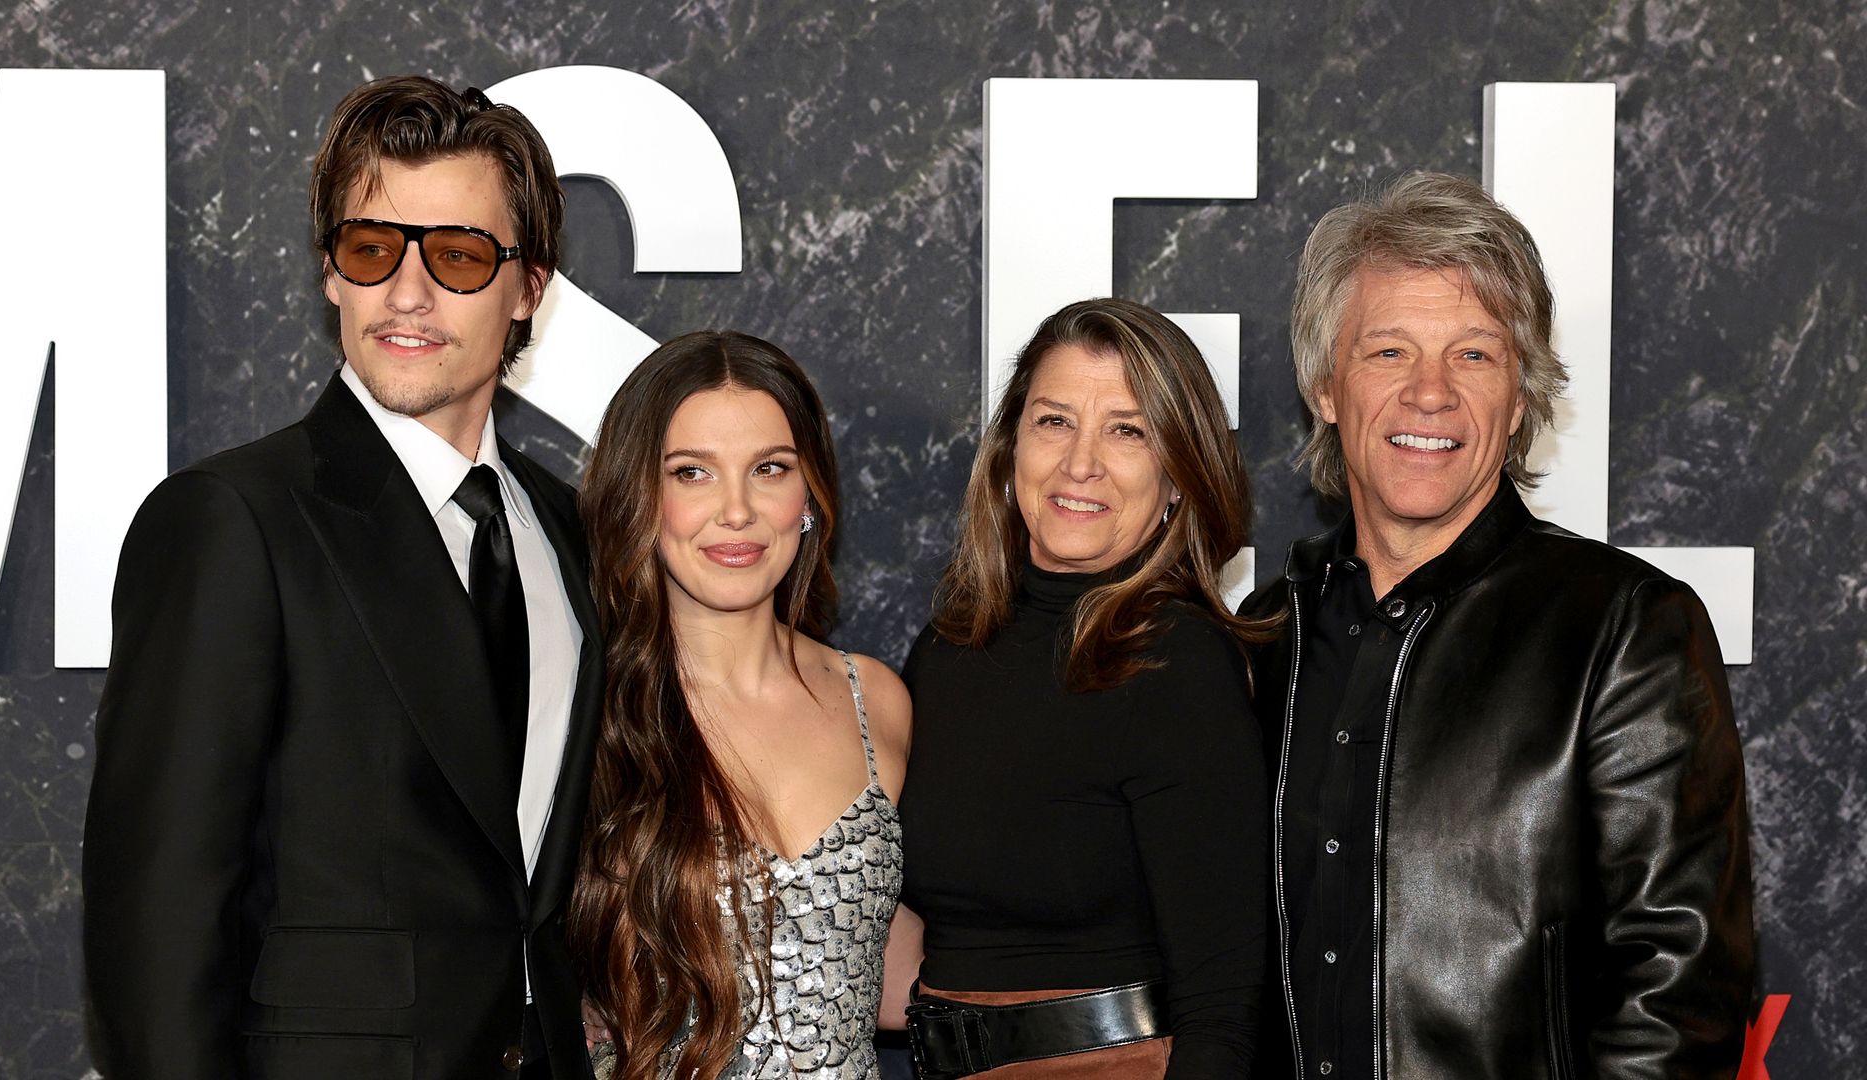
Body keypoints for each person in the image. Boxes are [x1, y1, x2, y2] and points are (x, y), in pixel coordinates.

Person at [82, 76, 599, 1079]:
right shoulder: (233, 523)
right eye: (373, 250)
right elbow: (157, 926)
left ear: (529, 288)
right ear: (332, 273)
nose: (407, 294)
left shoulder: (567, 532)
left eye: (455, 256)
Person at [1244, 171, 1755, 1080]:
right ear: (1326, 387)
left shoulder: (1625, 628)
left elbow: (1679, 999)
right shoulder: (1265, 633)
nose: (1430, 393)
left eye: (1474, 355)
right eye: (1389, 352)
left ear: (1519, 398)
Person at [893, 297, 1271, 1079]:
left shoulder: (1180, 662)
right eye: (1054, 421)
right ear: (1009, 450)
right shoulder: (946, 651)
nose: (1081, 463)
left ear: (1178, 477)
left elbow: (1224, 1002)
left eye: (1127, 430)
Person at [567, 331, 912, 1080]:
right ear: (641, 497)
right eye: (692, 473)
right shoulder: (585, 715)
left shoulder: (875, 700)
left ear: (810, 494)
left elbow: (887, 955)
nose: (736, 511)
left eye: (769, 470)